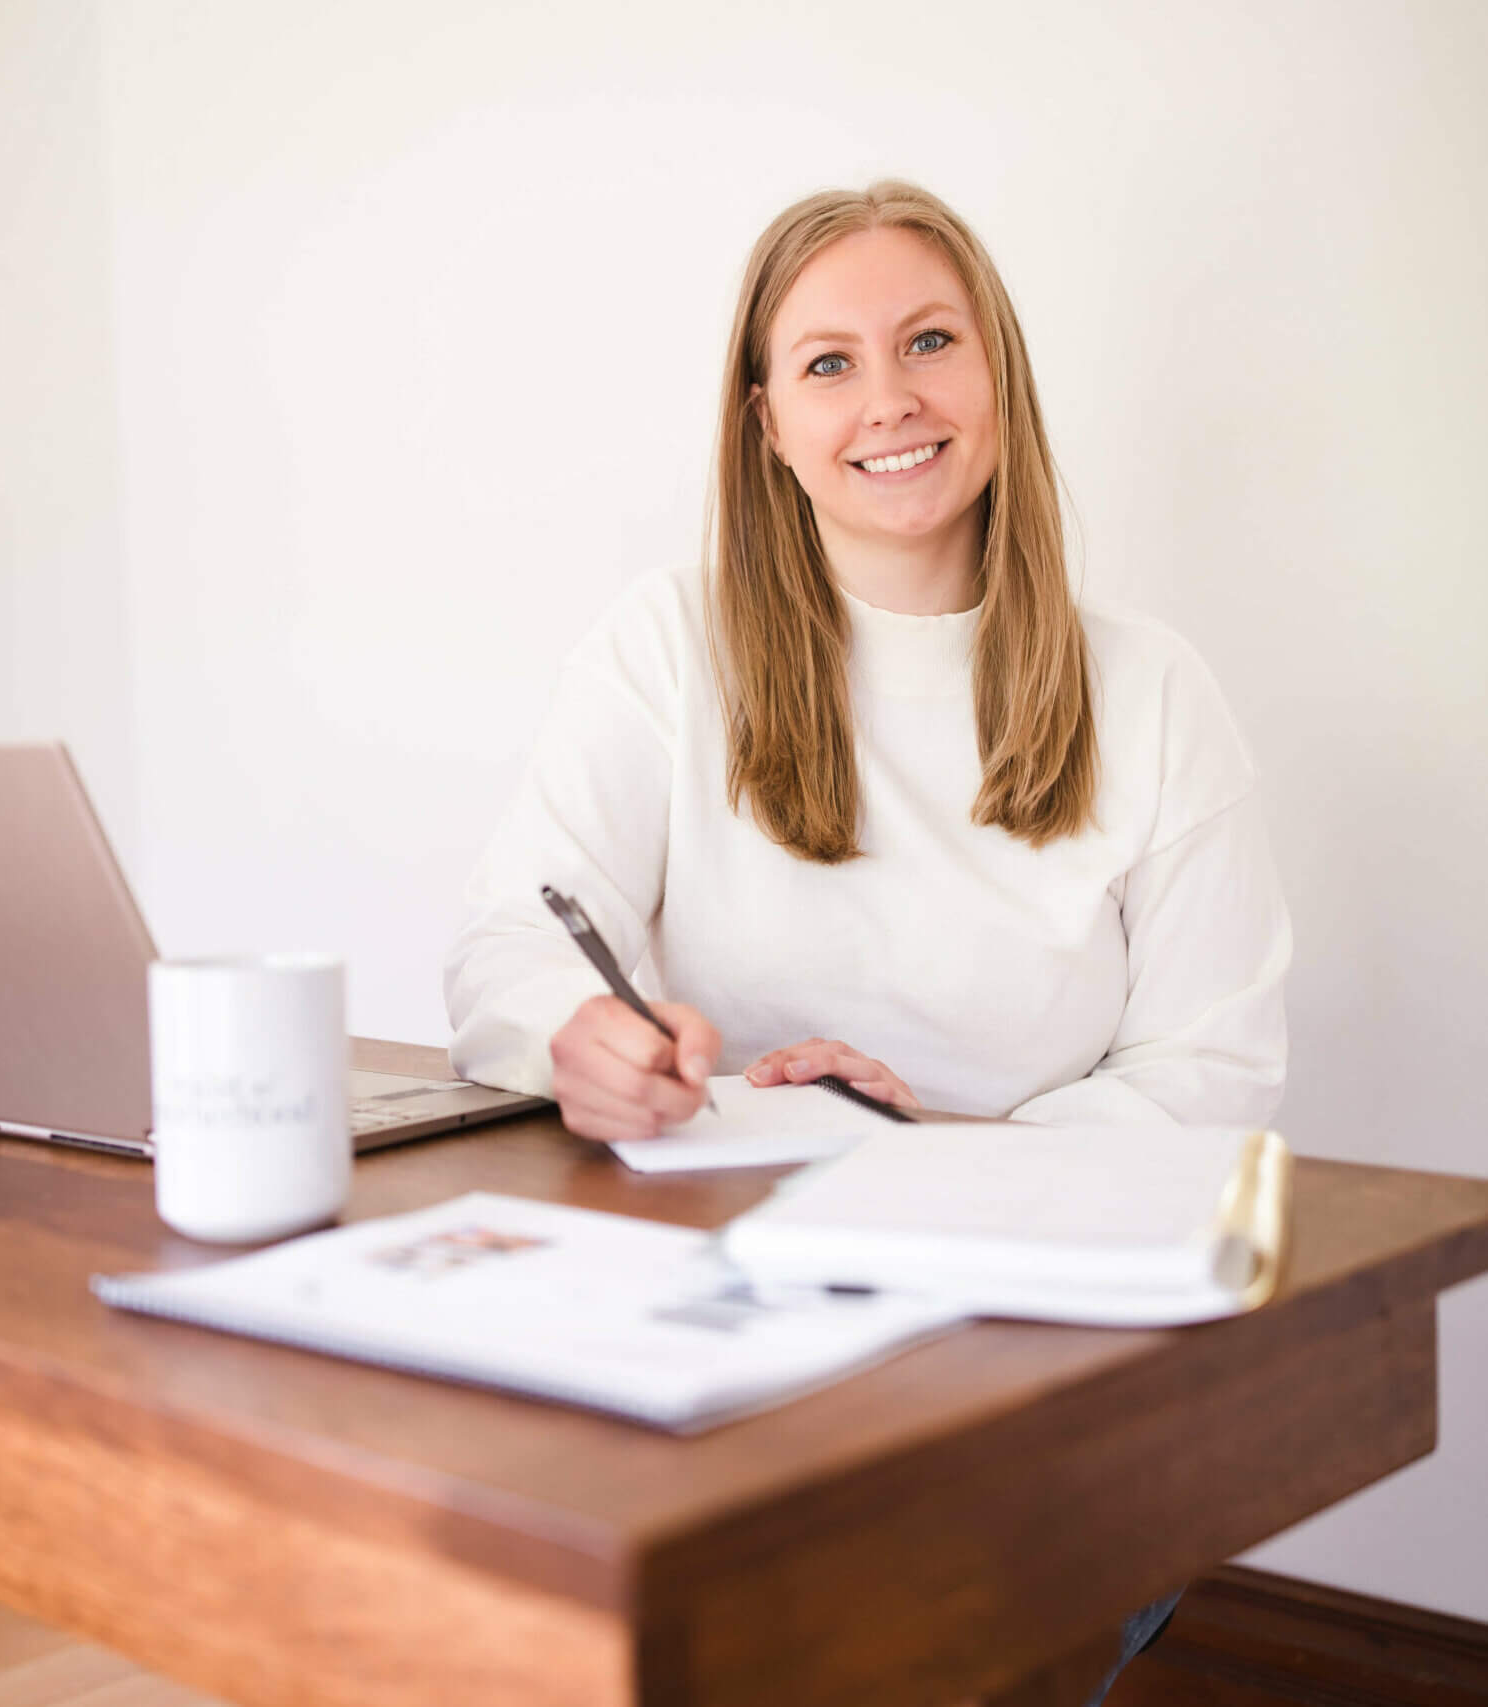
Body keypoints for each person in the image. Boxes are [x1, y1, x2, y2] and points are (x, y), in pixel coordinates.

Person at [443, 179, 1290, 1704]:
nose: (887, 399)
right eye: (828, 363)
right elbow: (516, 942)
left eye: (928, 342)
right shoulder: (667, 646)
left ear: (998, 376)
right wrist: (580, 1038)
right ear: (768, 423)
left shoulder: (1155, 695)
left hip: (1028, 1331)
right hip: (733, 1297)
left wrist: (943, 1145)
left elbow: (1214, 1075)